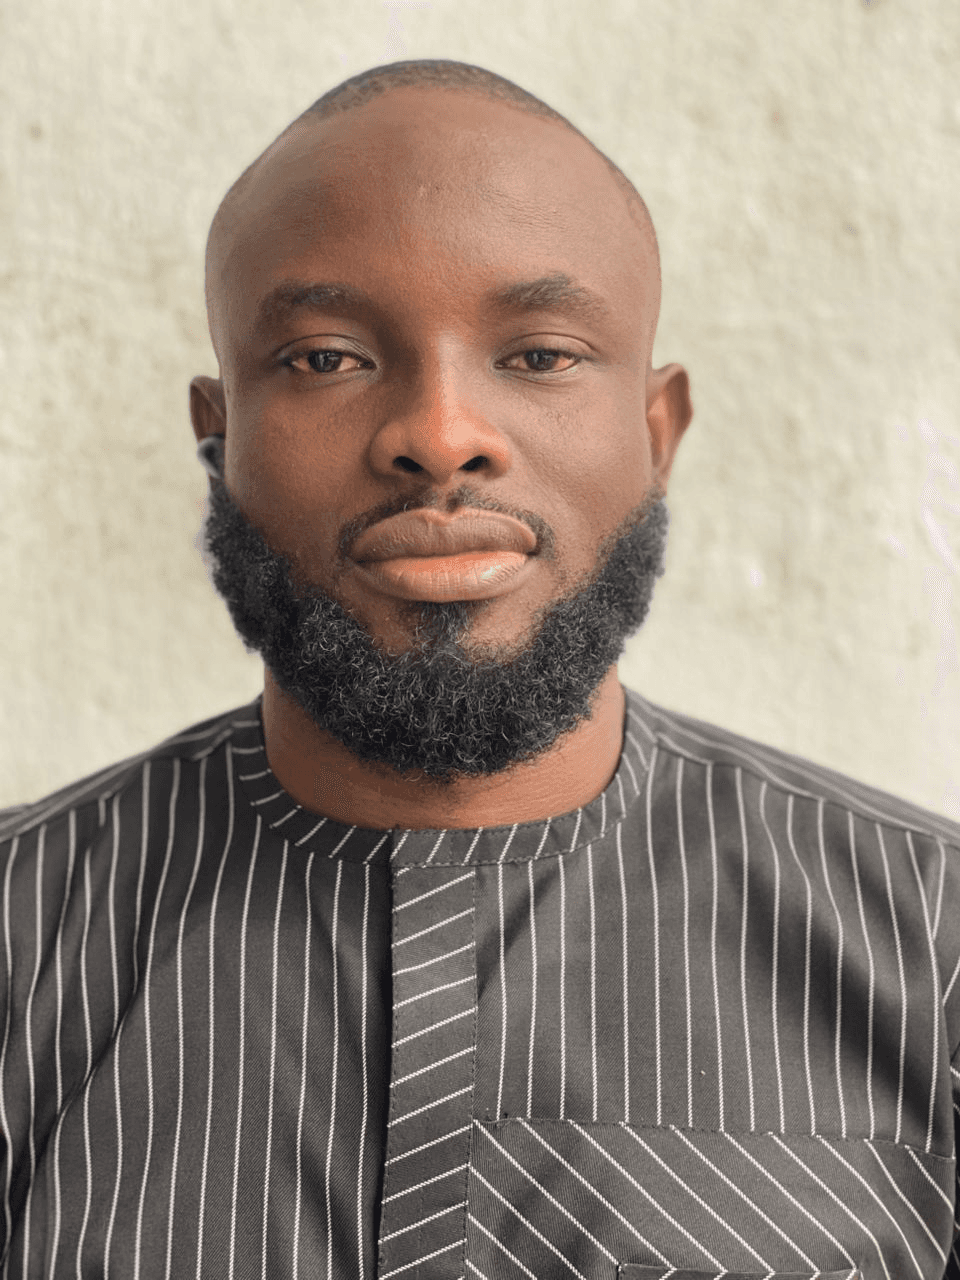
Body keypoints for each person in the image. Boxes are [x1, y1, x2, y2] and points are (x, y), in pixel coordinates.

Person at [1, 58, 958, 1280]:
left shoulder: (935, 947)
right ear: (217, 433)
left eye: (542, 354)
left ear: (656, 432)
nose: (443, 435)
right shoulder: (23, 938)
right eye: (326, 357)